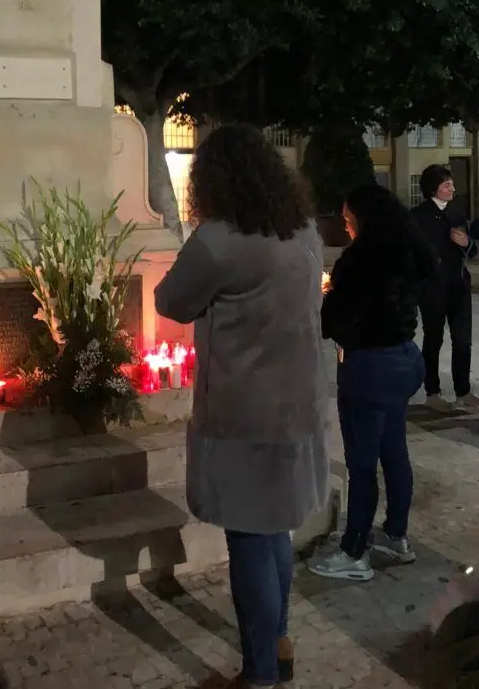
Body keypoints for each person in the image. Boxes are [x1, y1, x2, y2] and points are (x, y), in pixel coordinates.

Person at [154, 124, 329, 689]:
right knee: (275, 531)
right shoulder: (303, 230)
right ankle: (278, 643)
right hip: (297, 405)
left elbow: (171, 301)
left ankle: (259, 674)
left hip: (244, 413)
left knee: (250, 539)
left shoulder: (218, 241)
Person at [308, 184, 434, 582]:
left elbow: (332, 322)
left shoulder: (360, 260)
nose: (346, 227)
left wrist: (327, 292)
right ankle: (396, 536)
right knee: (394, 450)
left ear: (363, 219)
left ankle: (354, 551)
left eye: (348, 220)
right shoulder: (408, 249)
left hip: (368, 366)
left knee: (362, 462)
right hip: (404, 358)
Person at [411, 164, 479, 412]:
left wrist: (466, 243)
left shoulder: (456, 213)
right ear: (433, 188)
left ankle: (463, 391)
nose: (452, 189)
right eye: (446, 185)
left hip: (458, 285)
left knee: (463, 340)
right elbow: (412, 252)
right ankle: (432, 392)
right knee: (433, 339)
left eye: (452, 184)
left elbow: (472, 251)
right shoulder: (418, 216)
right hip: (432, 288)